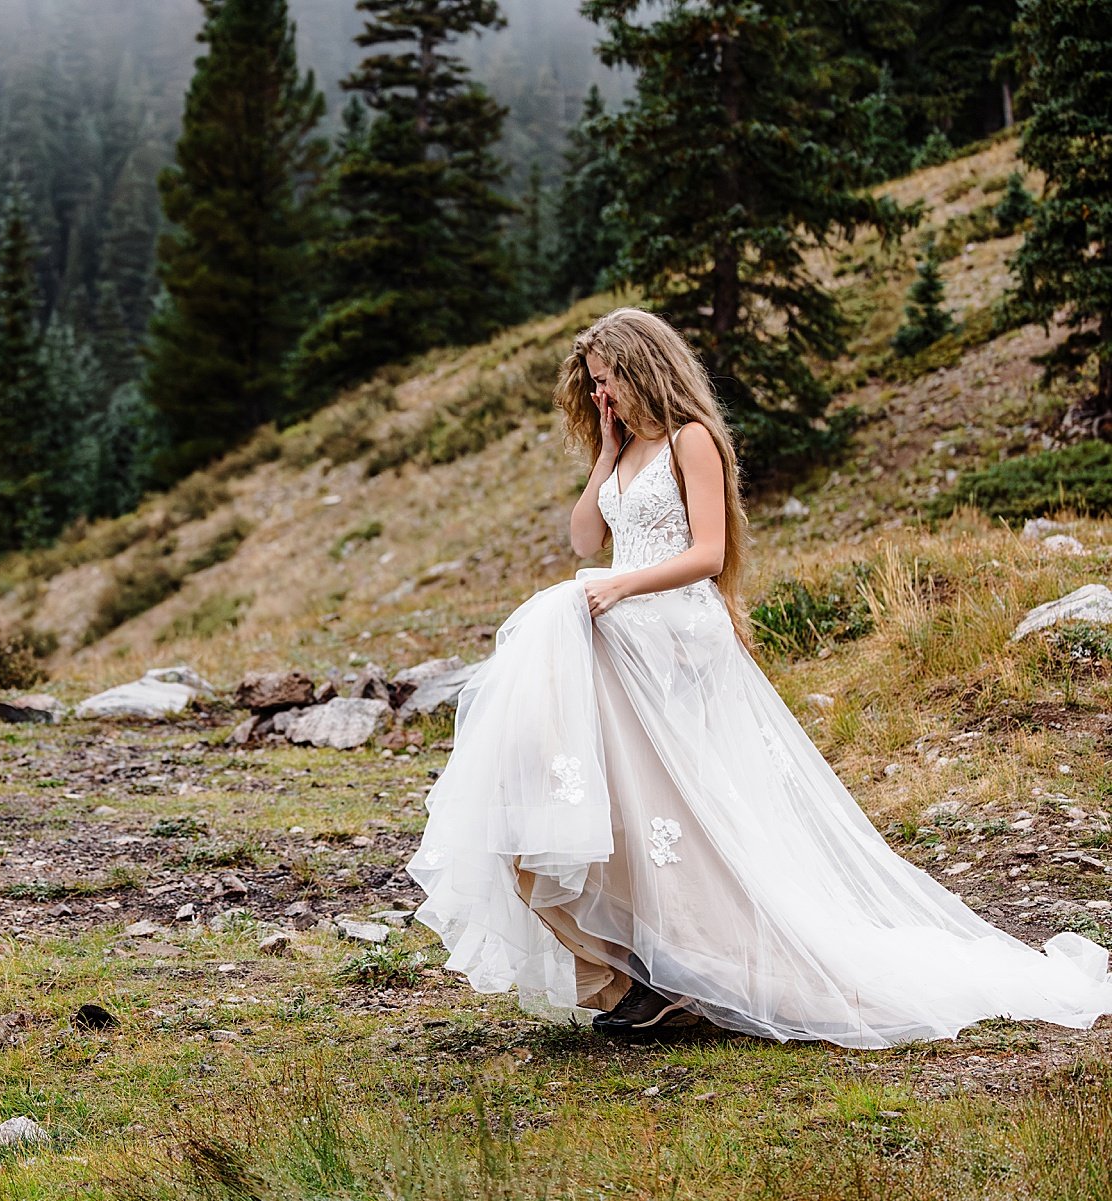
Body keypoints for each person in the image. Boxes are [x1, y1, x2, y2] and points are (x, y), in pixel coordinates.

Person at [407, 307, 1112, 1047]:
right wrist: (604, 452)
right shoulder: (624, 450)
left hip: (671, 627)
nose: (600, 394)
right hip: (625, 625)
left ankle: (699, 964)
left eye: (608, 379)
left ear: (642, 367)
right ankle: (646, 970)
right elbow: (586, 537)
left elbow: (708, 553)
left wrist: (621, 586)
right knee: (608, 777)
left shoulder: (692, 440)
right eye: (592, 384)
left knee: (669, 789)